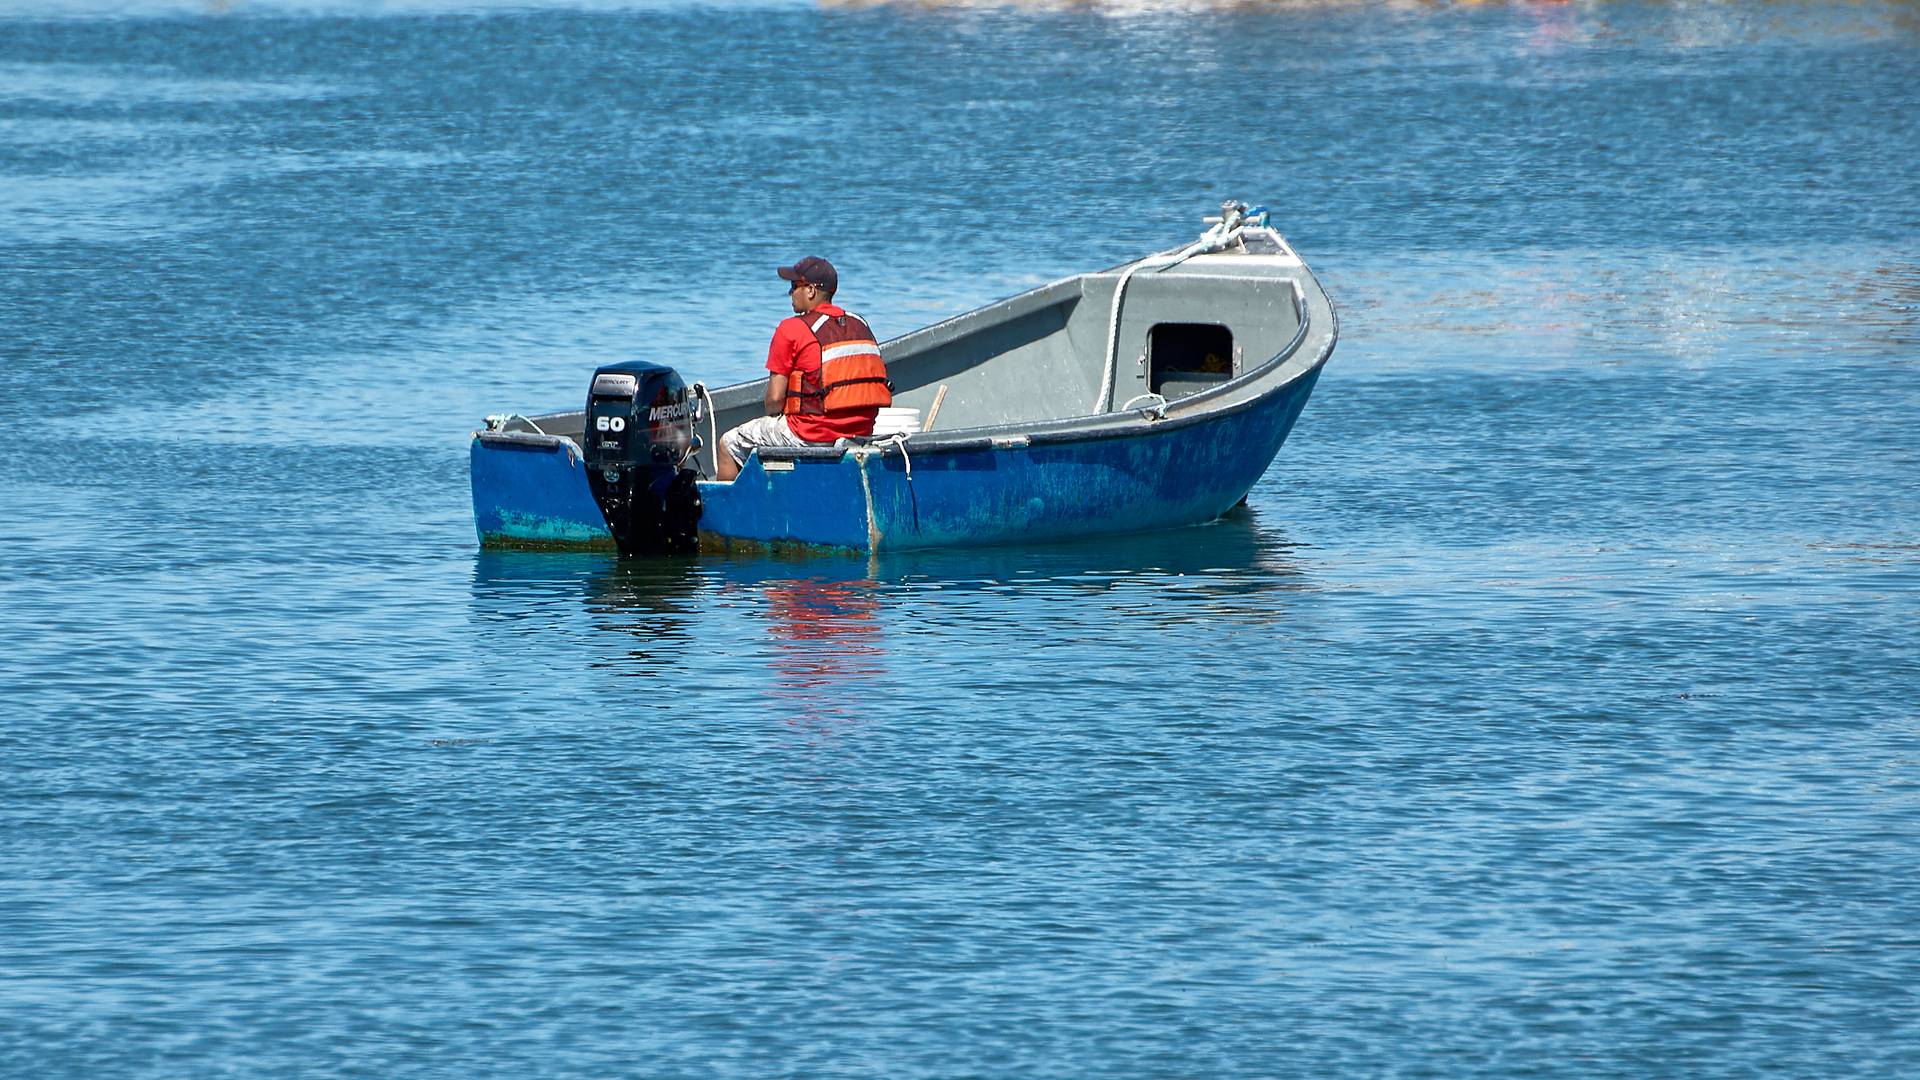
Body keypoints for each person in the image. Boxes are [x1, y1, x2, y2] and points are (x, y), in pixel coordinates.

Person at [714, 256, 890, 482]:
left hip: (809, 434)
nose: (790, 293)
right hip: (860, 432)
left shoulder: (791, 328)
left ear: (810, 291)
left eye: (794, 286)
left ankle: (731, 513)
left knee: (729, 444)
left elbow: (774, 402)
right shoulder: (860, 324)